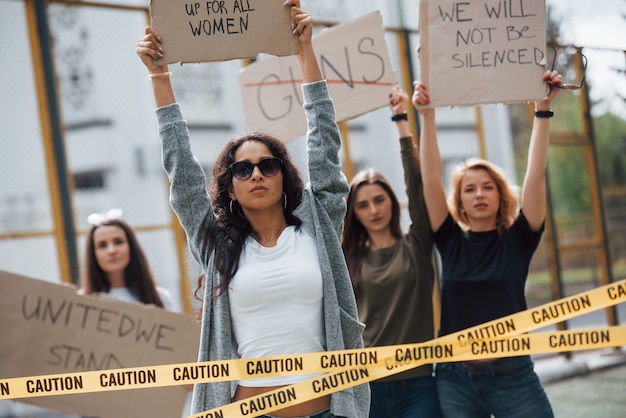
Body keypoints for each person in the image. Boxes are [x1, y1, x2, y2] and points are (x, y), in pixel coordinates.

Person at [135, 2, 369, 417]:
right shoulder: (216, 245)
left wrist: (305, 52)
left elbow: (324, 145)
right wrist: (159, 75)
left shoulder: (317, 226)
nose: (256, 173)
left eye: (268, 164)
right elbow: (183, 174)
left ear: (285, 178)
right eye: (242, 169)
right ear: (230, 188)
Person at [412, 69, 563, 418]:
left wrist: (542, 110)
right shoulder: (448, 238)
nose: (479, 193)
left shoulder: (520, 239)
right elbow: (431, 179)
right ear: (460, 202)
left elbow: (535, 174)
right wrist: (428, 118)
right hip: (455, 378)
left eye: (487, 186)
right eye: (469, 188)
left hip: (513, 377)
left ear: (500, 194)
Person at [342, 86, 442, 418]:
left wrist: (402, 120)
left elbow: (419, 185)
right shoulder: (346, 260)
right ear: (354, 213)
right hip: (367, 385)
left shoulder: (417, 245)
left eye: (379, 199)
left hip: (419, 384)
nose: (373, 210)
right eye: (363, 204)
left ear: (392, 201)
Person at [80, 210, 173, 310]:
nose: (112, 251)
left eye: (118, 242)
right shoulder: (81, 303)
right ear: (93, 253)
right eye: (102, 245)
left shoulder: (160, 298)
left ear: (131, 247)